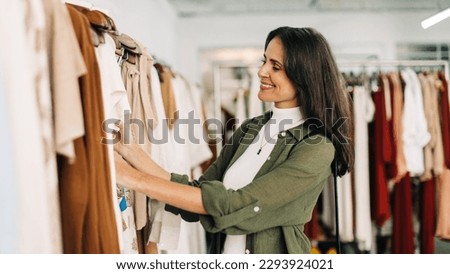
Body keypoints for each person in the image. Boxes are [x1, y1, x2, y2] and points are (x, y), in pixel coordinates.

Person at [114, 26, 353, 254]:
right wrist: (131, 152)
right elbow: (200, 192)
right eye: (264, 60)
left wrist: (132, 178)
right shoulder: (251, 129)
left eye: (276, 66)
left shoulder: (317, 147)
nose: (261, 71)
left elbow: (234, 205)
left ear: (304, 77)